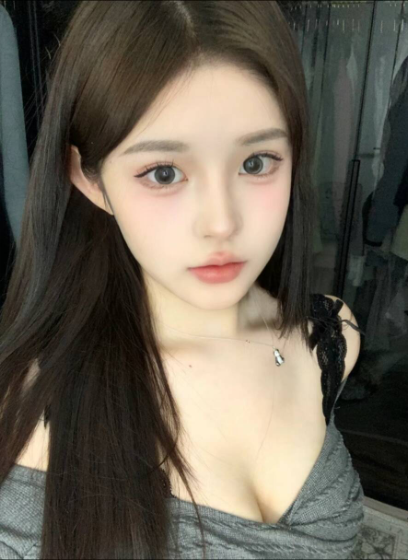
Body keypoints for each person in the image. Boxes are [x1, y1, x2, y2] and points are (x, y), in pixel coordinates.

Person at [0, 1, 364, 558]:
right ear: (90, 180)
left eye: (257, 162)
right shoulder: (29, 413)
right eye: (164, 173)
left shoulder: (329, 336)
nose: (221, 223)